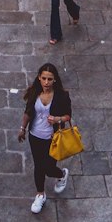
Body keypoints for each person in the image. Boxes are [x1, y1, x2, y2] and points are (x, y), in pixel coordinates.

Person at [17, 64, 72, 214]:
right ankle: (40, 194)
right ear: (39, 78)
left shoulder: (61, 96)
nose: (46, 82)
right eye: (43, 78)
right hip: (35, 136)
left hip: (52, 138)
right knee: (38, 166)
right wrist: (22, 129)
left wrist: (57, 119)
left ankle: (61, 174)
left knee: (48, 167)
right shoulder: (35, 92)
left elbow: (68, 116)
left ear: (55, 80)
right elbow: (28, 112)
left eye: (49, 79)